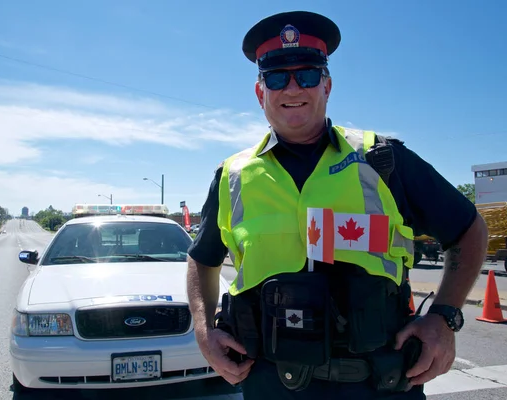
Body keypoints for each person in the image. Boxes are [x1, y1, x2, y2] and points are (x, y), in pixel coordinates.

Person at [186, 10, 489, 400]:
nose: (292, 89)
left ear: (327, 85)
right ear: (261, 93)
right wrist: (203, 329)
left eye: (307, 75)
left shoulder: (382, 159)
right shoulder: (232, 176)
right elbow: (202, 259)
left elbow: (468, 230)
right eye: (277, 77)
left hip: (377, 384)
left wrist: (445, 318)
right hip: (270, 385)